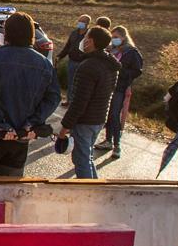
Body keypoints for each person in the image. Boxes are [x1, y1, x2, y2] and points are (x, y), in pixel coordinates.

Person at [0, 12, 60, 177]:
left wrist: (1, 126)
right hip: (20, 138)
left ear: (6, 33)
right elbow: (53, 98)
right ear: (31, 34)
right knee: (11, 191)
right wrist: (32, 123)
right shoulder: (44, 64)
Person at [56, 26, 119, 179]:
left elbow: (79, 102)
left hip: (86, 120)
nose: (83, 42)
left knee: (81, 159)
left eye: (86, 39)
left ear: (91, 42)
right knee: (87, 155)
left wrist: (64, 128)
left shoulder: (88, 66)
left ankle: (88, 193)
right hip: (99, 117)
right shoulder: (111, 65)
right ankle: (95, 188)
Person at [96, 25, 143, 159]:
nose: (114, 40)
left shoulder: (131, 52)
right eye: (112, 37)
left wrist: (121, 72)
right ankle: (108, 140)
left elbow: (137, 70)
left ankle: (117, 145)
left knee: (114, 115)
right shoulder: (112, 50)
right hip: (109, 85)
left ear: (124, 37)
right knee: (109, 115)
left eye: (116, 37)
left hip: (120, 87)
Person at [56, 14, 92, 107]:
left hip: (83, 62)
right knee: (71, 82)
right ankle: (69, 101)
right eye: (79, 21)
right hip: (72, 61)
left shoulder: (89, 35)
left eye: (82, 21)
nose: (80, 23)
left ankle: (77, 103)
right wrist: (60, 56)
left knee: (80, 84)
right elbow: (68, 46)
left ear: (87, 23)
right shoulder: (74, 33)